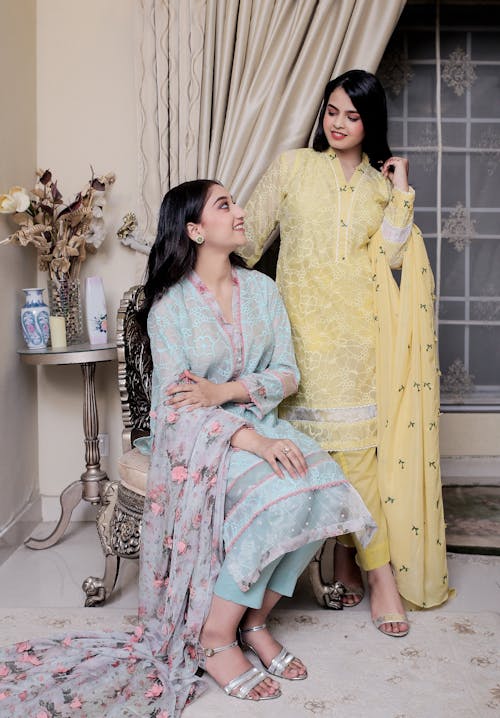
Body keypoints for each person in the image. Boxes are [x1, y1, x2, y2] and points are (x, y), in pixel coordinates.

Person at [0, 179, 375, 716]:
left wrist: (229, 394)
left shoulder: (263, 292)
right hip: (198, 440)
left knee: (326, 488)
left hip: (259, 421)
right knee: (285, 497)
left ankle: (255, 620)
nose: (240, 212)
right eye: (225, 206)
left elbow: (287, 373)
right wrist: (248, 438)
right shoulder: (170, 308)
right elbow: (176, 406)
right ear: (196, 229)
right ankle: (215, 636)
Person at [240, 69, 451, 636]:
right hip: (296, 340)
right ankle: (304, 576)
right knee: (303, 459)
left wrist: (402, 190)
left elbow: (395, 257)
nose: (338, 123)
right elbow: (248, 239)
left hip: (359, 342)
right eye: (332, 111)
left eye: (352, 116)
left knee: (358, 464)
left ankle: (378, 578)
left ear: (369, 123)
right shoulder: (292, 167)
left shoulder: (380, 188)